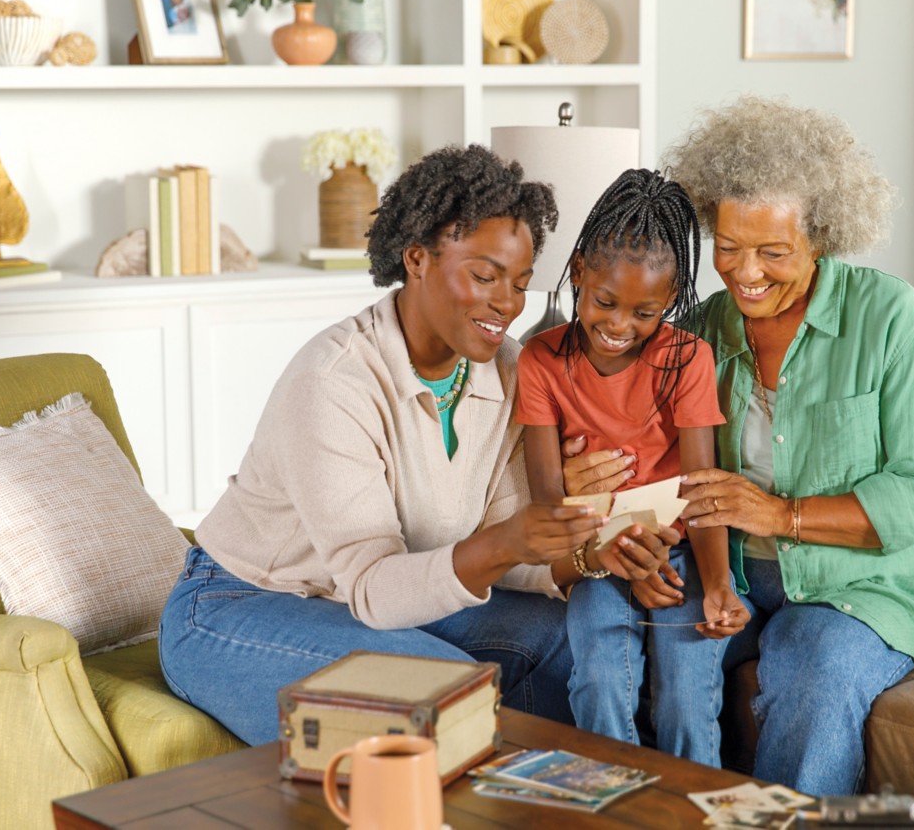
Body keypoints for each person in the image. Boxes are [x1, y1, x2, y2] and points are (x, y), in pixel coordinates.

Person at [158, 144, 674, 746]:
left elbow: (514, 548)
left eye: (520, 283)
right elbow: (377, 587)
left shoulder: (510, 372)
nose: (507, 304)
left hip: (379, 601)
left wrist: (583, 552)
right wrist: (510, 538)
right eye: (484, 276)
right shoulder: (335, 381)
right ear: (417, 258)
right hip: (242, 603)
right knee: (446, 690)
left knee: (580, 639)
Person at [562, 96, 914, 795]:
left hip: (862, 586)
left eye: (773, 252)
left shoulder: (888, 316)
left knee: (812, 664)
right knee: (605, 620)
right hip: (731, 569)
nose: (745, 272)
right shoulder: (701, 328)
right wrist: (590, 482)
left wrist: (782, 516)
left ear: (823, 237)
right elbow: (651, 451)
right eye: (728, 247)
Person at [516, 168, 747, 767]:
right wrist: (614, 551)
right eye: (605, 302)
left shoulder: (686, 359)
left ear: (670, 300)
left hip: (681, 555)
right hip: (595, 556)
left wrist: (719, 585)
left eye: (644, 312)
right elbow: (548, 499)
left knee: (688, 700)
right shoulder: (540, 362)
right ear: (577, 276)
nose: (620, 326)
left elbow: (701, 491)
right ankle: (614, 809)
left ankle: (691, 811)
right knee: (597, 685)